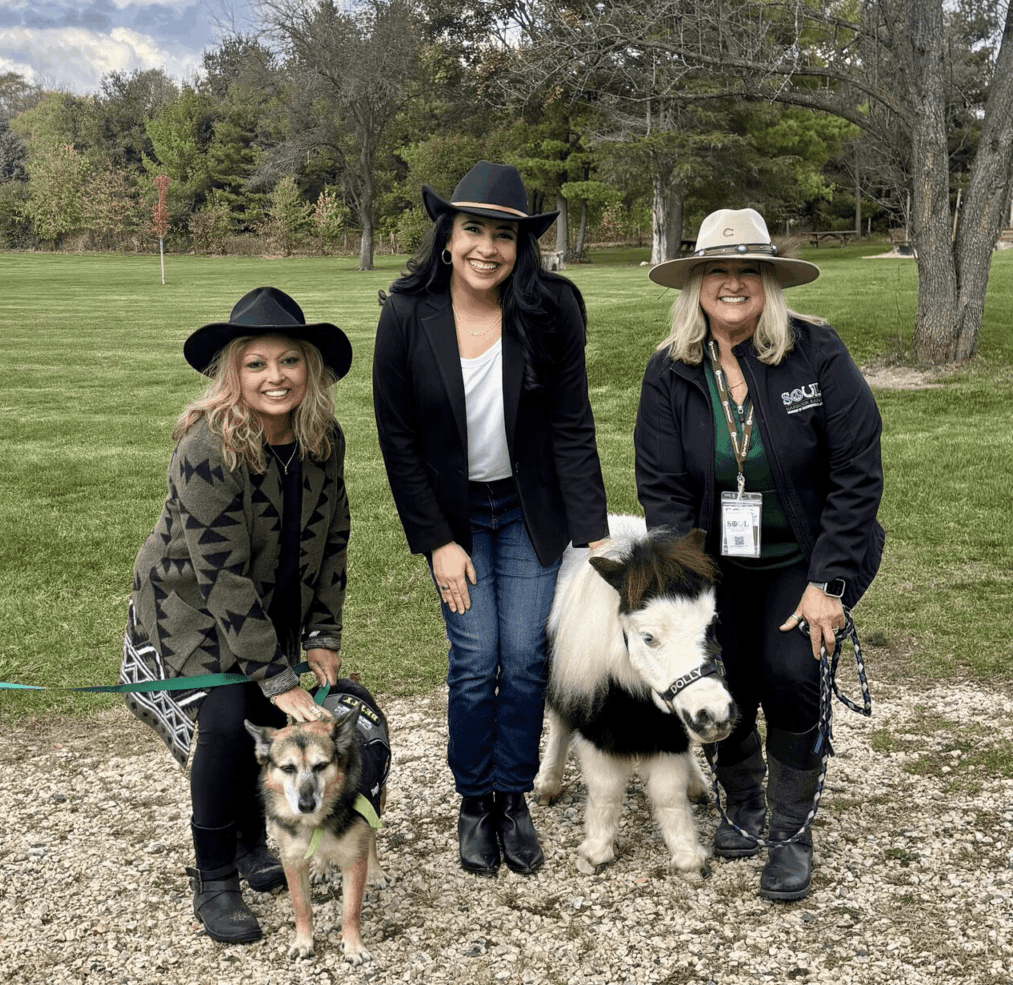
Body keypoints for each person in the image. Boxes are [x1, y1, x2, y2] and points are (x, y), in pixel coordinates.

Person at [634, 209, 884, 901]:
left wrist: (828, 583)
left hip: (807, 559)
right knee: (722, 672)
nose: (735, 284)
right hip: (718, 566)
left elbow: (858, 470)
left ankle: (790, 829)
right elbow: (662, 492)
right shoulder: (670, 373)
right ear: (697, 285)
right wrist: (685, 595)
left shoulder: (816, 353)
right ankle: (744, 801)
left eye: (750, 271)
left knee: (791, 668)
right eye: (719, 271)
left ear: (770, 282)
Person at [372, 161, 609, 876]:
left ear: (521, 245)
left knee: (527, 657)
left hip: (528, 511)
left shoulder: (551, 309)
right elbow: (399, 440)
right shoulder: (407, 314)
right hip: (458, 517)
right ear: (447, 236)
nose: (487, 247)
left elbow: (571, 424)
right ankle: (474, 801)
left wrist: (593, 529)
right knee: (477, 660)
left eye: (504, 234)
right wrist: (438, 541)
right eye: (473, 229)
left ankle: (515, 796)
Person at [119, 287, 353, 942]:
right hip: (189, 609)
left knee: (265, 718)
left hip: (271, 605)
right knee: (227, 722)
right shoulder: (207, 446)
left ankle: (255, 843)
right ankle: (215, 874)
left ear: (311, 368)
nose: (274, 377)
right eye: (256, 363)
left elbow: (334, 539)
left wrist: (322, 635)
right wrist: (277, 677)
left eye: (288, 361)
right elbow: (217, 574)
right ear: (233, 373)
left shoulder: (323, 438)